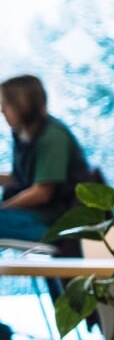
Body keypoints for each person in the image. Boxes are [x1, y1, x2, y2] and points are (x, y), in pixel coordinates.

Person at [0, 74, 93, 243]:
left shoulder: (52, 136)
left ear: (22, 105)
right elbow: (20, 178)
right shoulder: (21, 134)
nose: (2, 110)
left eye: (6, 104)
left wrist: (3, 208)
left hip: (52, 222)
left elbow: (41, 193)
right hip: (33, 215)